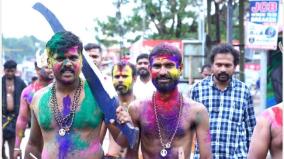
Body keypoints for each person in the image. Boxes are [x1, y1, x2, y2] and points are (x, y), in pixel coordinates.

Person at [24, 31, 130, 159]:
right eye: (60, 58)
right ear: (49, 62)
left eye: (73, 58)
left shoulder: (100, 95)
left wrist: (126, 124)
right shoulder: (39, 99)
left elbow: (122, 141)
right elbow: (33, 145)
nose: (68, 63)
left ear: (82, 60)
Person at [119, 43, 212, 159]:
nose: (162, 72)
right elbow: (130, 154)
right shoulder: (136, 109)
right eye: (157, 66)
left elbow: (207, 157)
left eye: (169, 65)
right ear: (150, 69)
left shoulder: (197, 111)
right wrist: (122, 125)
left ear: (180, 69)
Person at [190, 43, 256, 158]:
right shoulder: (198, 89)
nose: (223, 69)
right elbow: (188, 126)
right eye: (219, 65)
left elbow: (251, 128)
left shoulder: (243, 91)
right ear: (212, 65)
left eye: (227, 65)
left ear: (235, 66)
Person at [13, 51, 54, 159]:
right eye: (46, 67)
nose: (51, 69)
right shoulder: (28, 92)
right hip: (35, 146)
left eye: (52, 66)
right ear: (37, 69)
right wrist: (17, 147)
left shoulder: (63, 90)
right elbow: (22, 120)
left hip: (57, 146)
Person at [103, 61, 137, 158]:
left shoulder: (141, 107)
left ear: (135, 78)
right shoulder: (107, 106)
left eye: (125, 76)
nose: (120, 80)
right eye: (117, 77)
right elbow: (97, 141)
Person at [2, 60, 27, 159]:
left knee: (14, 147)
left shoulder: (20, 83)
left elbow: (27, 98)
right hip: (2, 119)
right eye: (8, 71)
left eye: (12, 71)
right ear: (4, 70)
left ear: (15, 70)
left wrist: (27, 119)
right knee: (1, 147)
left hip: (15, 119)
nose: (10, 73)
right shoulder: (1, 82)